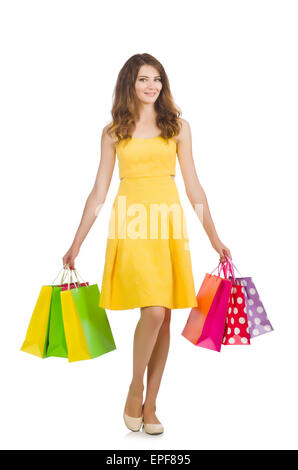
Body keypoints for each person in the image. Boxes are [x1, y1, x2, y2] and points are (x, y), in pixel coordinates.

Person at [62, 53, 232, 435]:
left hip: (168, 225)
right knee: (154, 312)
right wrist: (76, 244)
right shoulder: (113, 132)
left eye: (156, 79)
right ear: (130, 84)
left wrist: (214, 238)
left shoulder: (179, 127)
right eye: (143, 79)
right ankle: (134, 387)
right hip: (132, 225)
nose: (151, 85)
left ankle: (151, 403)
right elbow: (98, 192)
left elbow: (193, 187)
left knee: (165, 315)